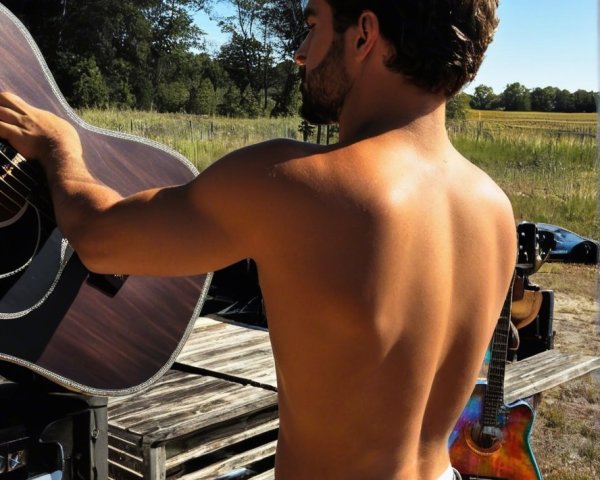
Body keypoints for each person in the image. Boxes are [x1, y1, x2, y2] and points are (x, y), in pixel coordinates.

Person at [0, 0, 516, 478]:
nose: (299, 54)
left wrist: (57, 146)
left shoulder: (299, 182)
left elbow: (98, 236)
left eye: (313, 26)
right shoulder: (495, 212)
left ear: (363, 34)